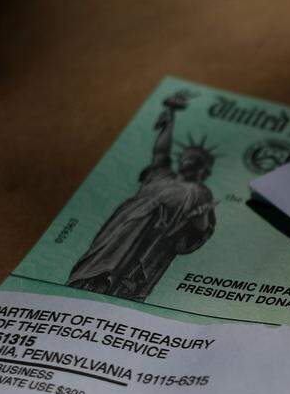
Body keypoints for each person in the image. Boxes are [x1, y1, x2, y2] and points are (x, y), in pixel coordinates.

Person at [68, 90, 218, 301]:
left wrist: (200, 218)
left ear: (203, 168)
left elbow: (200, 231)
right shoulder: (162, 175)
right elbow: (161, 152)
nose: (186, 160)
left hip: (152, 242)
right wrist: (170, 119)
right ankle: (87, 284)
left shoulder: (201, 193)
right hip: (123, 228)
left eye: (193, 159)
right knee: (99, 266)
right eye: (184, 157)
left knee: (124, 279)